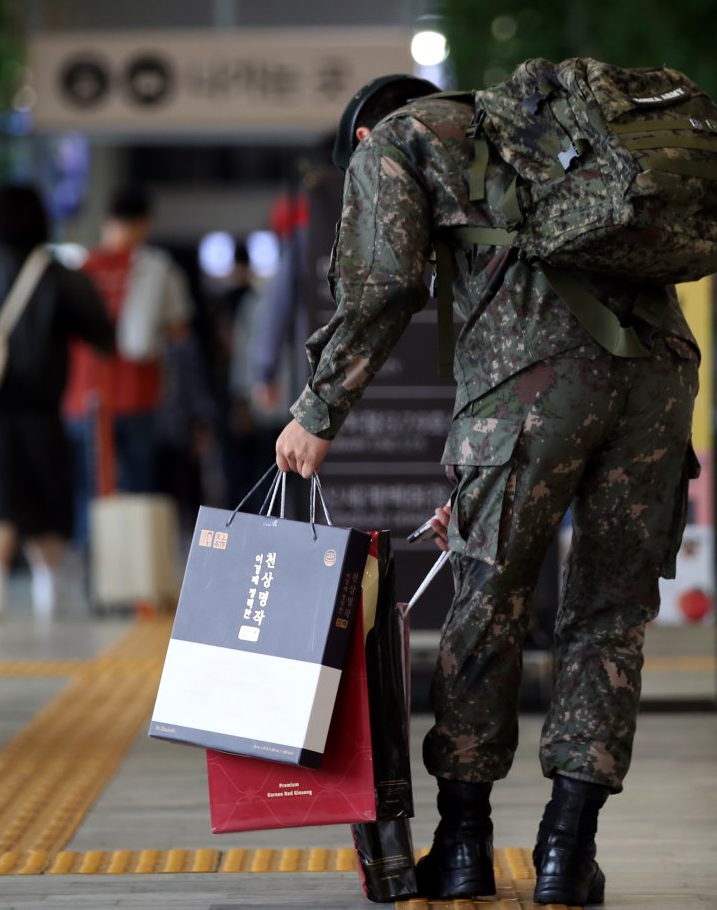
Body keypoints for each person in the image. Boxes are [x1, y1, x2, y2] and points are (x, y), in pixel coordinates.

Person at [275, 73, 700, 904]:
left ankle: (463, 844)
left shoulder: (395, 141)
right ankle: (567, 854)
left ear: (361, 135)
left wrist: (317, 411)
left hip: (532, 384)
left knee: (489, 600)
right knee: (610, 613)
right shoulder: (545, 133)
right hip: (660, 377)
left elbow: (383, 282)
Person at [0, 183, 115, 622]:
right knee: (44, 500)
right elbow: (102, 334)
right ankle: (49, 587)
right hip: (41, 413)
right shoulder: (57, 277)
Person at [63, 185, 193, 548]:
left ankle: (95, 565)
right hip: (138, 393)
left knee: (90, 490)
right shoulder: (158, 268)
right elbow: (179, 330)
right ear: (144, 223)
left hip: (84, 396)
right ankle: (136, 565)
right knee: (139, 487)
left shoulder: (80, 269)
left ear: (107, 220)